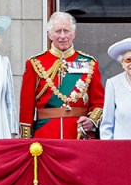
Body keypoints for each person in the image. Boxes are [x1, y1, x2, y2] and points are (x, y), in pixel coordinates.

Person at [19, 11, 104, 139]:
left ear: (74, 34)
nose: (63, 36)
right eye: (58, 31)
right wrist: (26, 139)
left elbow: (99, 102)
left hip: (78, 134)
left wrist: (91, 121)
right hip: (45, 134)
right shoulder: (35, 63)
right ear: (49, 34)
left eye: (66, 31)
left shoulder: (89, 63)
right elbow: (26, 106)